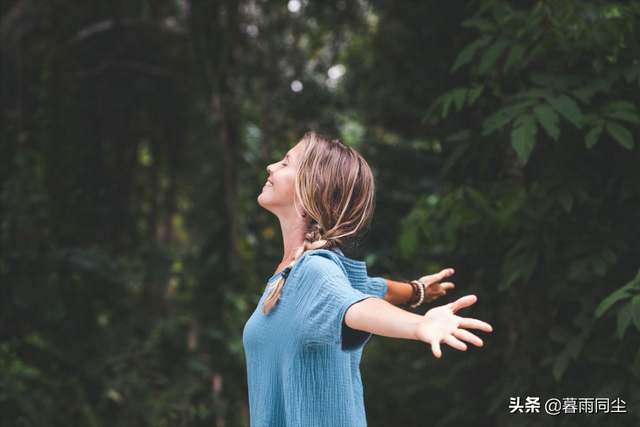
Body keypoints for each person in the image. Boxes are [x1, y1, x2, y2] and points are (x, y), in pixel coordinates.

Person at [243, 131, 493, 427]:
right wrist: (417, 291)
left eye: (285, 163)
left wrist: (419, 325)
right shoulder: (295, 272)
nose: (271, 167)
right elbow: (370, 289)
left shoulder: (313, 270)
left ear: (311, 189)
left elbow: (357, 307)